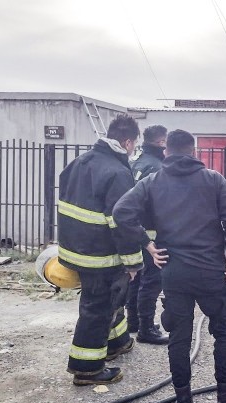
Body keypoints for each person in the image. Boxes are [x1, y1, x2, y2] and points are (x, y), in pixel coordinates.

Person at [113, 129, 226, 403]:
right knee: (225, 332)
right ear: (194, 152)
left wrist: (148, 245)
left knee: (179, 337)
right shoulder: (214, 180)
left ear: (166, 152)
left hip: (173, 272)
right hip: (208, 271)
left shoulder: (153, 182)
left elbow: (121, 211)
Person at [57, 114, 144, 386]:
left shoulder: (79, 163)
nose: (135, 149)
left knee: (112, 300)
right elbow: (122, 222)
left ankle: (118, 341)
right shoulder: (118, 173)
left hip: (76, 249)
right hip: (100, 255)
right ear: (127, 142)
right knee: (98, 306)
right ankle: (86, 368)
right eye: (135, 144)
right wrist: (133, 263)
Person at [124, 125, 169, 345]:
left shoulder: (135, 164)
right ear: (161, 143)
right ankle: (146, 328)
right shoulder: (158, 168)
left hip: (134, 231)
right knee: (152, 281)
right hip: (152, 235)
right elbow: (159, 204)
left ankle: (134, 321)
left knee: (136, 278)